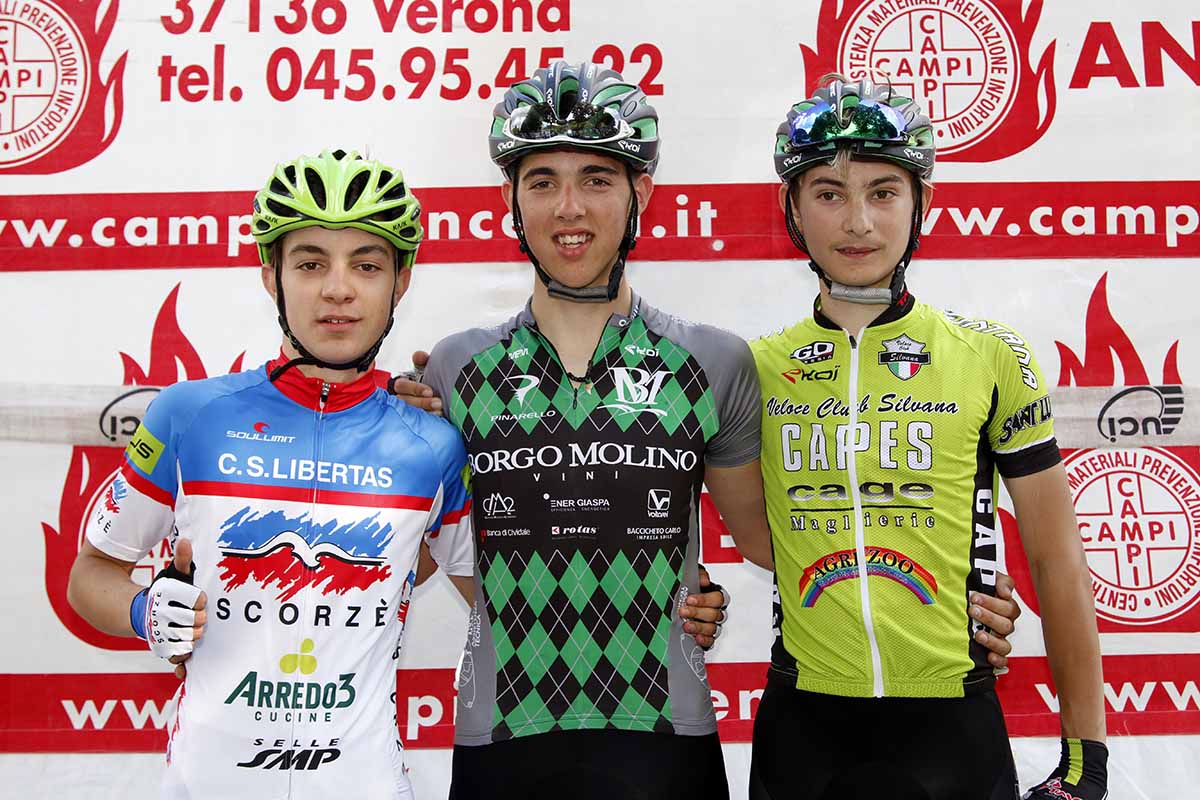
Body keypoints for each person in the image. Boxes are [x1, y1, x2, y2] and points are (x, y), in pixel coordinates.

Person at [388, 62, 1025, 799]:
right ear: (509, 198)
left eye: (597, 178)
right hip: (501, 734)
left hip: (666, 737)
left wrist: (953, 585)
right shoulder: (455, 367)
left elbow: (775, 541)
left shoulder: (711, 362)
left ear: (641, 194)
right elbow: (418, 561)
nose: (569, 207)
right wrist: (389, 437)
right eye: (542, 181)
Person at [66, 149, 474, 799]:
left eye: (366, 265)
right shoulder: (189, 415)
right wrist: (145, 610)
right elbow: (89, 576)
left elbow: (504, 601)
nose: (337, 289)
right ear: (270, 277)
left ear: (401, 282)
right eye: (310, 263)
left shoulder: (432, 442)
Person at [747, 76, 1108, 800]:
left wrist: (1084, 758)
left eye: (883, 192)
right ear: (791, 208)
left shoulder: (989, 354)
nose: (858, 222)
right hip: (801, 732)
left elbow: (1056, 558)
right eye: (828, 193)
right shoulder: (752, 368)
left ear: (923, 204)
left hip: (953, 729)